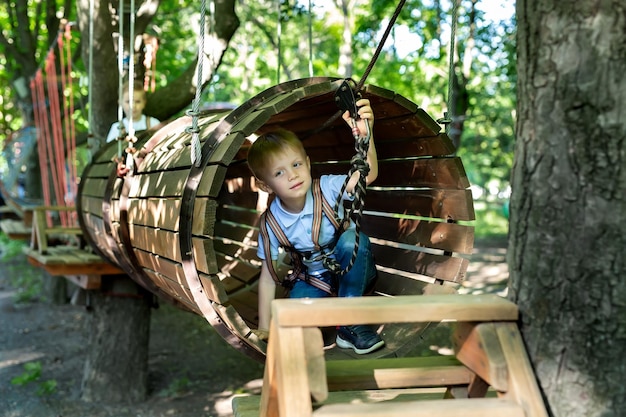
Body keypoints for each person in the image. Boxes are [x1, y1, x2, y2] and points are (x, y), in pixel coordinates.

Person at [247, 98, 384, 355]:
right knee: (289, 324)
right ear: (265, 186)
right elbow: (267, 278)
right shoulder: (271, 224)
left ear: (308, 164)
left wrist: (367, 135)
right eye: (279, 173)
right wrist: (265, 327)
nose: (292, 175)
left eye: (296, 165)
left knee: (353, 239)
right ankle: (320, 331)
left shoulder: (328, 188)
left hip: (352, 270)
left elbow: (367, 174)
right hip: (313, 279)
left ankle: (351, 324)